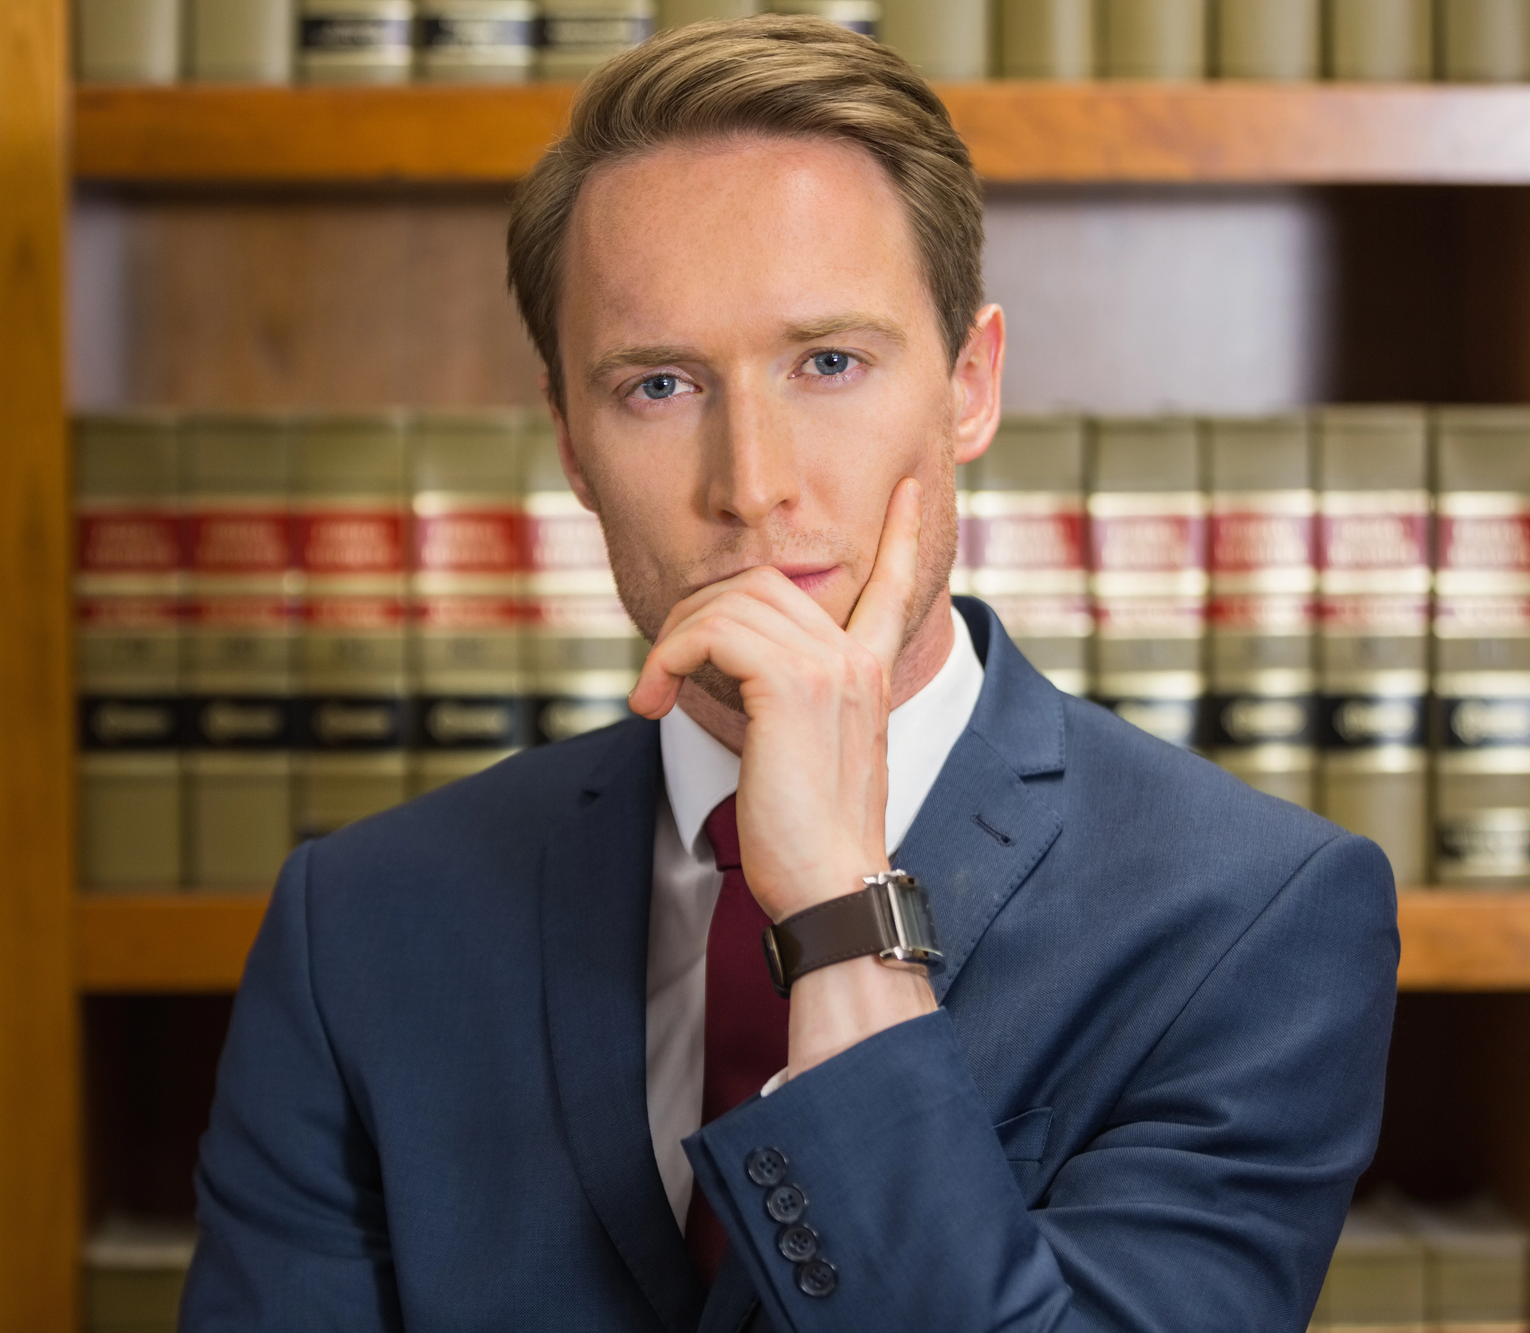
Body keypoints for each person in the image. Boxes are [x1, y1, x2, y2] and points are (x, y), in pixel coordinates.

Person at [179, 15, 1398, 1332]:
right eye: (658, 384)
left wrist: (841, 914)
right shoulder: (354, 923)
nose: (751, 484)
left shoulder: (1256, 918)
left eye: (828, 362)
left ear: (971, 386)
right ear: (573, 448)